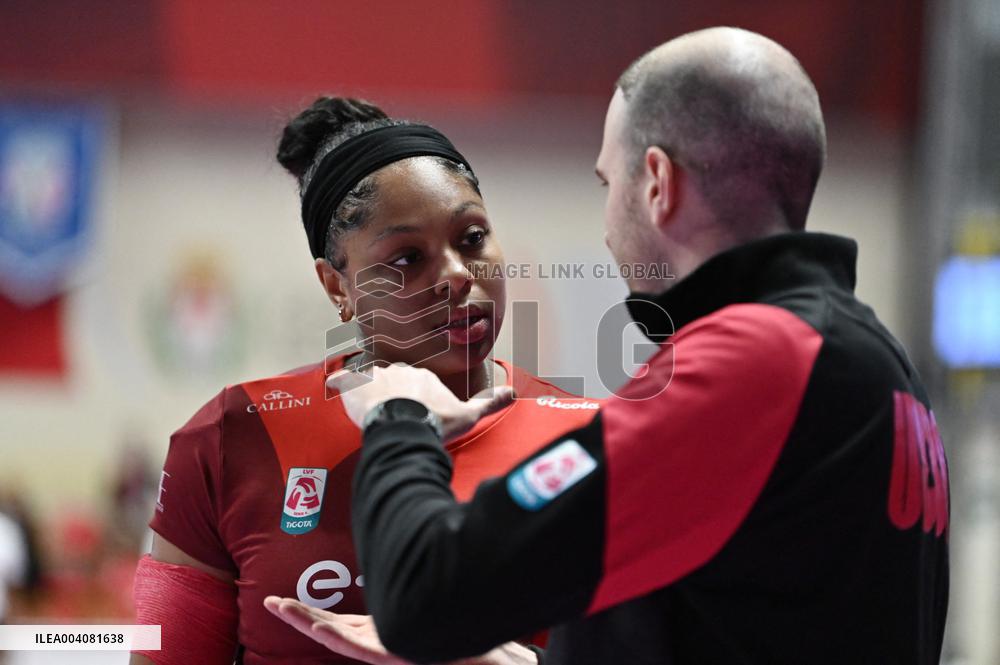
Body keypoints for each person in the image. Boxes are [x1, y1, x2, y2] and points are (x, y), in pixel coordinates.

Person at [269, 27, 950, 665]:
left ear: (657, 181)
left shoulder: (754, 362)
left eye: (607, 182)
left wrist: (400, 417)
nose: (605, 225)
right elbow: (755, 621)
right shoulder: (880, 365)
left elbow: (424, 593)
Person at [130, 96, 599, 665]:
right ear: (336, 287)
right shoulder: (232, 436)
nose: (455, 274)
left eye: (471, 238)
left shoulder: (591, 437)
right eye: (406, 258)